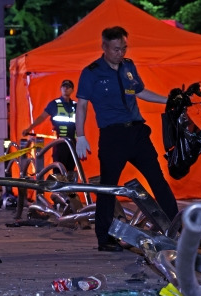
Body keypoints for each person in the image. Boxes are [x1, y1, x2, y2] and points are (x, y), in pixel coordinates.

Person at [74, 26, 178, 252]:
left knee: (158, 181)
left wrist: (168, 100)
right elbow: (81, 104)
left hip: (137, 133)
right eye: (115, 49)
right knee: (108, 188)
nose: (120, 53)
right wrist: (80, 134)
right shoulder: (91, 72)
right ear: (104, 47)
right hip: (113, 136)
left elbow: (140, 92)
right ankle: (104, 238)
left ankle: (176, 230)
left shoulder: (128, 67)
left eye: (123, 48)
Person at [22, 80, 77, 173]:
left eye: (68, 87)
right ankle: (58, 184)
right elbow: (42, 117)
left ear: (72, 90)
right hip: (60, 141)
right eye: (64, 86)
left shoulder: (75, 105)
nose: (66, 88)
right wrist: (29, 128)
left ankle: (69, 185)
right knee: (59, 167)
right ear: (60, 89)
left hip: (72, 141)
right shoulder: (54, 104)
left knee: (71, 168)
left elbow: (80, 122)